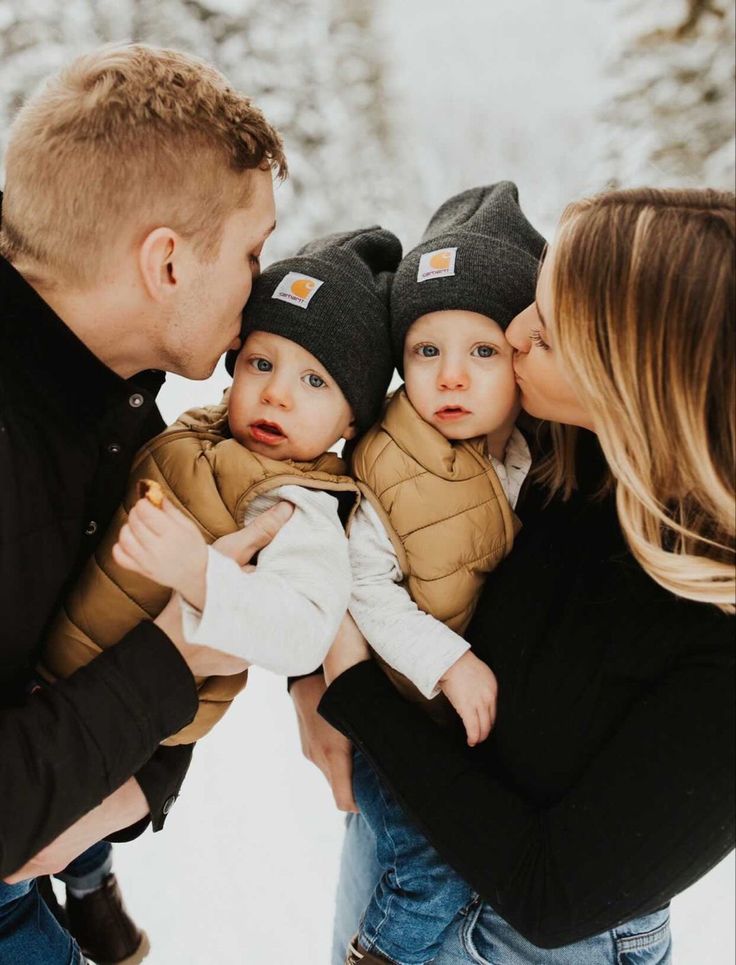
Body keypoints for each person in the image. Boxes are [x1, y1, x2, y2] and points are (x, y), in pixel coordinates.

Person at [292, 186, 735, 965]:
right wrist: (306, 666)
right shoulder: (566, 444)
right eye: (537, 296)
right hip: (399, 874)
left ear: (637, 378)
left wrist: (353, 688)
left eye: (552, 332)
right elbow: (363, 499)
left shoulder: (717, 641)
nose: (517, 329)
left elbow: (554, 892)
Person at [0, 42, 287, 965]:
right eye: (252, 250)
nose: (264, 283)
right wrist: (180, 653)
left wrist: (145, 781)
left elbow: (132, 628)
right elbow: (169, 645)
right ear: (167, 262)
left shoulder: (122, 397)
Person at [41, 227, 401, 747]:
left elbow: (303, 632)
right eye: (262, 364)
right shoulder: (203, 430)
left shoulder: (296, 503)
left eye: (315, 381)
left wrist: (200, 575)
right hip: (55, 681)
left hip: (121, 722)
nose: (276, 393)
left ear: (351, 422)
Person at [345, 183, 544, 963]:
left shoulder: (536, 454)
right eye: (427, 351)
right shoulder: (389, 461)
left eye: (482, 351)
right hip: (410, 716)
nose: (450, 377)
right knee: (426, 865)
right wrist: (445, 659)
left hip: (484, 735)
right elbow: (365, 587)